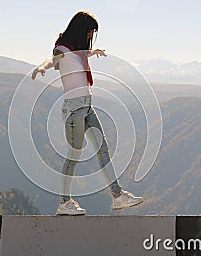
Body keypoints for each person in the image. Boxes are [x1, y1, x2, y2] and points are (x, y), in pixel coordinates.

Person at [32, 11, 143, 215]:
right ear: (82, 30)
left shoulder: (77, 50)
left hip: (87, 107)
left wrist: (95, 51)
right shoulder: (62, 49)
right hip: (74, 109)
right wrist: (41, 67)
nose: (92, 36)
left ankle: (117, 196)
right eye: (91, 31)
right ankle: (64, 203)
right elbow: (52, 59)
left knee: (103, 150)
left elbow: (81, 55)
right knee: (74, 156)